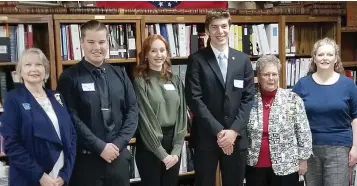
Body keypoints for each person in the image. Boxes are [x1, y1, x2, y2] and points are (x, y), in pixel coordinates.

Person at [57, 20, 138, 186]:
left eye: (101, 42)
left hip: (118, 159)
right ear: (82, 44)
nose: (97, 47)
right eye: (91, 42)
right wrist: (100, 147)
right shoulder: (69, 77)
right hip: (86, 162)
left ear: (107, 42)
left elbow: (132, 111)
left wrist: (118, 144)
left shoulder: (120, 75)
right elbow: (71, 117)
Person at [185, 10, 255, 186]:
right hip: (206, 139)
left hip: (236, 138)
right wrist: (219, 131)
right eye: (214, 27)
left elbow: (248, 98)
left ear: (230, 28)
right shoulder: (196, 60)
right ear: (208, 31)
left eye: (224, 26)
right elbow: (194, 99)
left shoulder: (243, 60)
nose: (220, 31)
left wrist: (233, 132)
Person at [0, 48, 77, 186]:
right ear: (20, 71)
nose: (33, 69)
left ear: (45, 70)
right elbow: (11, 144)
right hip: (31, 178)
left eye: (38, 64)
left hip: (60, 178)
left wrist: (65, 174)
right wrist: (39, 175)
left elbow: (72, 136)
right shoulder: (13, 99)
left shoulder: (56, 96)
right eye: (28, 65)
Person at [292, 37, 357, 186]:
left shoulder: (348, 85)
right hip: (310, 150)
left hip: (340, 148)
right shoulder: (302, 85)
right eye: (320, 54)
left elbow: (355, 118)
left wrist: (355, 148)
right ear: (314, 58)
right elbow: (293, 119)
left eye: (329, 54)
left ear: (336, 58)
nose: (325, 58)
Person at [245, 55, 312, 186]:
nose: (271, 78)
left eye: (274, 74)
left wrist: (303, 159)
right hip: (254, 166)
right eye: (266, 74)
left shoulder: (292, 99)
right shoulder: (249, 100)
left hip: (286, 166)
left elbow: (303, 131)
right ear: (258, 77)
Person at [133, 34, 187, 186]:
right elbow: (145, 119)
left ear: (167, 52)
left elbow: (182, 115)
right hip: (150, 146)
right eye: (153, 51)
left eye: (162, 50)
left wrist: (176, 150)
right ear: (146, 55)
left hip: (173, 144)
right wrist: (161, 153)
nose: (159, 55)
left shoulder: (175, 80)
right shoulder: (140, 82)